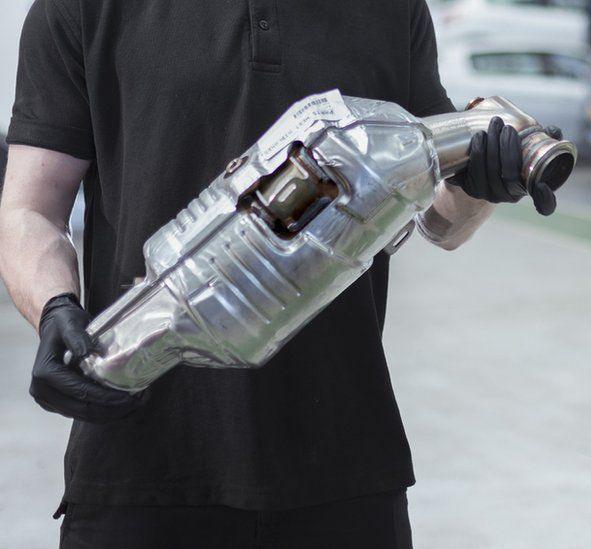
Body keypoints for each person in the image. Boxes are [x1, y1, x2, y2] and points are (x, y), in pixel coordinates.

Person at [0, 1, 562, 547]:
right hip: (143, 461)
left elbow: (442, 222)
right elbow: (30, 209)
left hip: (343, 461)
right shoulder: (82, 8)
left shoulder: (392, 9)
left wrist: (481, 186)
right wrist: (53, 306)